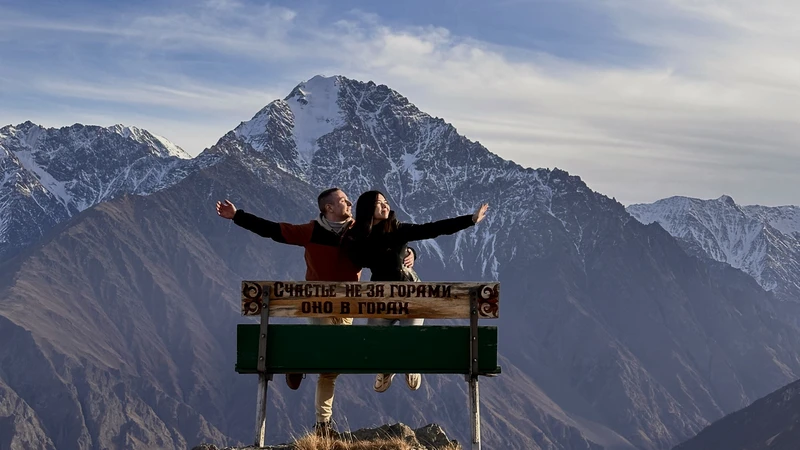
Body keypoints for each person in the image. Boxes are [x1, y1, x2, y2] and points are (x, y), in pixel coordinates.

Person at [215, 188, 415, 437]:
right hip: (318, 303)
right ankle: (319, 414)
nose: (350, 202)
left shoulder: (360, 229)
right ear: (329, 208)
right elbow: (274, 230)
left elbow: (391, 239)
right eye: (343, 200)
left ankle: (302, 370)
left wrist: (410, 253)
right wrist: (238, 216)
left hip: (347, 306)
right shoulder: (310, 231)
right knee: (330, 359)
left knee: (331, 364)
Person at [345, 190, 489, 393]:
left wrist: (470, 220)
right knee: (374, 339)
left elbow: (432, 229)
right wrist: (408, 252)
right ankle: (386, 368)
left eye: (386, 202)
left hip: (410, 293)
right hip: (381, 294)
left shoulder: (397, 229)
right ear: (367, 208)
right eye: (379, 203)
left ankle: (410, 365)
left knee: (410, 337)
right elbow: (358, 258)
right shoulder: (357, 237)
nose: (385, 205)